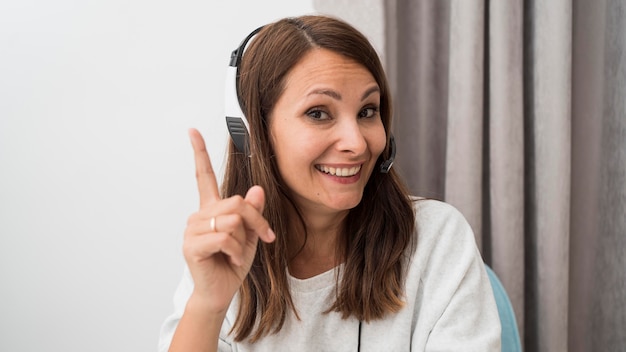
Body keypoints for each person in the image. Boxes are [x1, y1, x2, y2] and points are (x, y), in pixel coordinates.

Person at [159, 15, 501, 352]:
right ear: (255, 133)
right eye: (318, 113)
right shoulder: (224, 250)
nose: (357, 143)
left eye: (367, 111)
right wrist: (207, 306)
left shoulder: (437, 240)